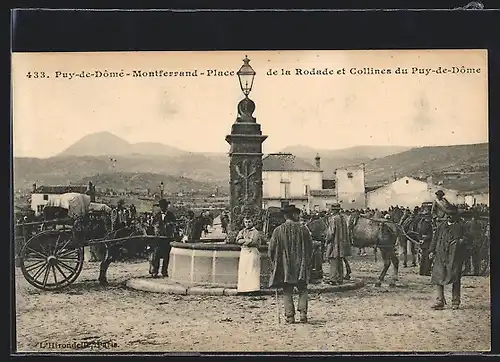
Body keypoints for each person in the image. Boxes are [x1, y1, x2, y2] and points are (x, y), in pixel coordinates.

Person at [268, 205, 313, 324]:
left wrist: (274, 263)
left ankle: (290, 316)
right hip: (300, 265)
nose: (298, 216)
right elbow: (310, 247)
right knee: (303, 289)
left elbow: (271, 249)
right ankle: (303, 313)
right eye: (297, 214)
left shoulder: (278, 231)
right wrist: (307, 261)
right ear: (292, 215)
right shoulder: (303, 229)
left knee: (287, 290)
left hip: (285, 267)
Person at [428, 207, 468, 310]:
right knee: (438, 276)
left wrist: (461, 242)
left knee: (455, 278)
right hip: (441, 255)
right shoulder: (441, 226)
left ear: (456, 215)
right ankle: (440, 300)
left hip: (455, 256)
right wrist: (431, 251)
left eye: (452, 214)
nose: (449, 216)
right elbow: (435, 238)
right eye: (448, 214)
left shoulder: (461, 226)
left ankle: (455, 301)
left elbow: (468, 239)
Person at [149, 199, 177, 278]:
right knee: (156, 256)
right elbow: (153, 225)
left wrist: (169, 226)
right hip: (158, 239)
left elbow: (174, 225)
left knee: (166, 256)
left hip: (167, 239)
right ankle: (155, 271)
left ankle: (164, 271)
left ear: (166, 207)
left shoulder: (171, 215)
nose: (163, 208)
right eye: (161, 207)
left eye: (164, 206)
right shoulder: (157, 215)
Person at [324, 207, 351, 285]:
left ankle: (333, 279)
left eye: (332, 209)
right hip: (342, 243)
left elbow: (331, 233)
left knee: (333, 260)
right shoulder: (343, 219)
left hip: (334, 243)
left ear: (334, 210)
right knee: (339, 260)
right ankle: (340, 278)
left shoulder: (333, 219)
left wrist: (327, 241)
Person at [236, 217, 262, 294]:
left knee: (252, 270)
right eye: (246, 222)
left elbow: (253, 241)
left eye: (249, 222)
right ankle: (243, 289)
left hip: (252, 252)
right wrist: (246, 241)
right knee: (244, 270)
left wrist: (244, 241)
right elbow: (238, 240)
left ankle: (253, 289)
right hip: (244, 252)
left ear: (252, 222)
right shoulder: (242, 231)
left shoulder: (255, 232)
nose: (247, 223)